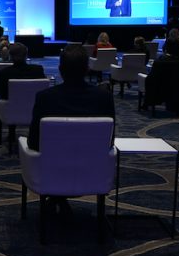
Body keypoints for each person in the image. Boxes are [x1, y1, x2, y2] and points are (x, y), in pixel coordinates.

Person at [27, 44, 115, 216]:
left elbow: (34, 142)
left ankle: (56, 196)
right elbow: (109, 141)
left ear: (60, 69)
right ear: (87, 69)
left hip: (51, 170)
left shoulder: (45, 97)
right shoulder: (103, 98)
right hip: (94, 169)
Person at [143, 37, 179, 115]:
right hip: (178, 88)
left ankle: (147, 103)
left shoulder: (160, 61)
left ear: (166, 47)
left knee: (148, 79)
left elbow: (152, 77)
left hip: (160, 89)